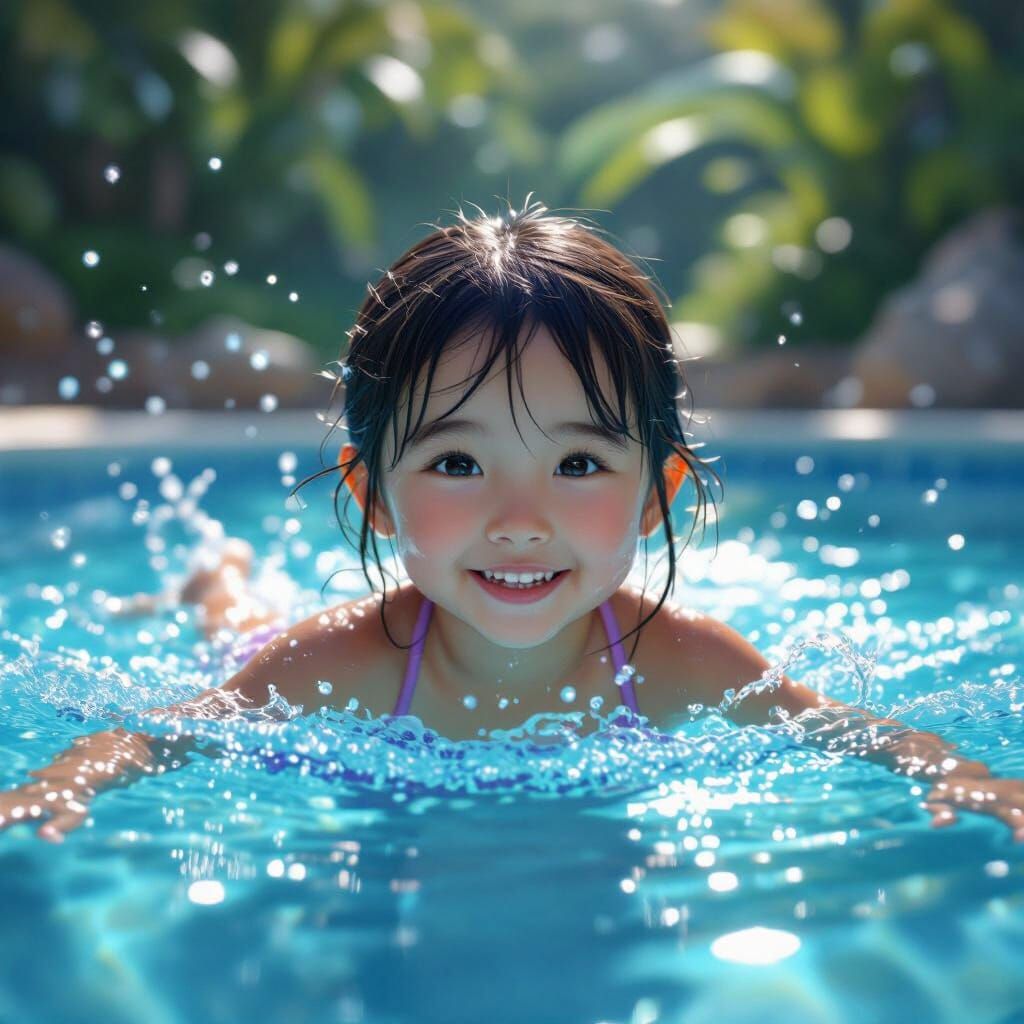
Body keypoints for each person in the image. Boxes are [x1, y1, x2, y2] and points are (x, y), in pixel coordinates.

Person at [2, 199, 1022, 844]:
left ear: (658, 494)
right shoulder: (333, 664)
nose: (520, 519)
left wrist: (969, 778)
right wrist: (67, 782)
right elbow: (156, 739)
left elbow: (859, 732)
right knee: (239, 626)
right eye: (457, 461)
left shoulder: (682, 661)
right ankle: (217, 574)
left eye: (578, 462)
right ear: (372, 495)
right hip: (292, 645)